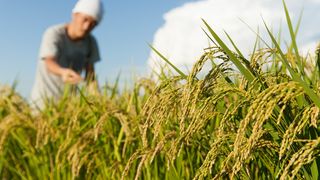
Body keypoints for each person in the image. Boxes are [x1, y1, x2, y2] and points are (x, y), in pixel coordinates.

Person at [30, 0, 104, 110]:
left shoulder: (91, 43)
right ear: (74, 14)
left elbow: (90, 76)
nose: (87, 26)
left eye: (93, 23)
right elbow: (49, 61)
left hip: (69, 106)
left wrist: (100, 101)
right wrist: (62, 72)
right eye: (85, 19)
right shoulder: (54, 33)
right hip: (42, 104)